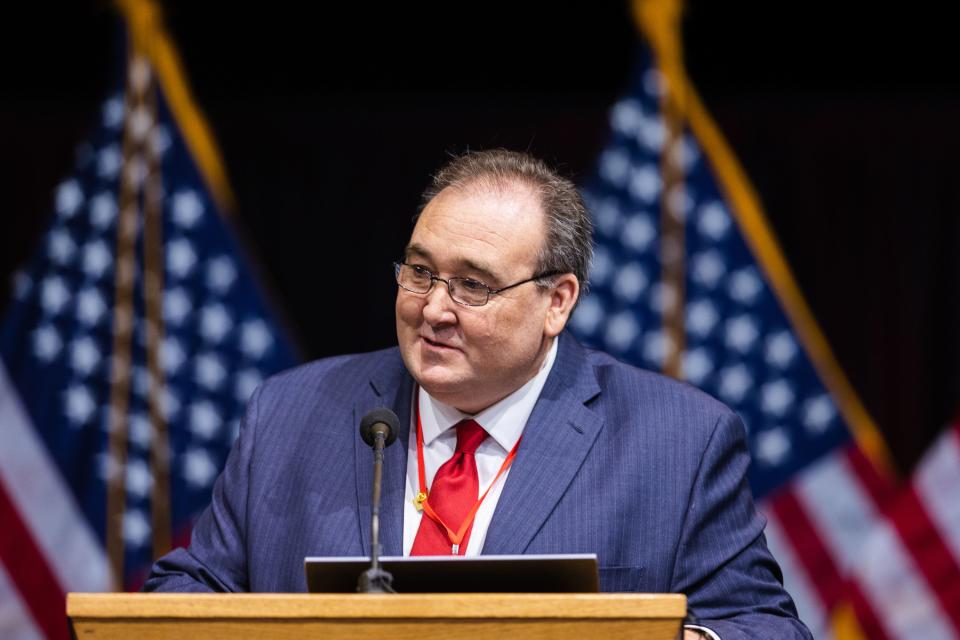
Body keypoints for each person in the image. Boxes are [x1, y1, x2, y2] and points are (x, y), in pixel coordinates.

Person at [145, 149, 812, 639]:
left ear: (557, 302)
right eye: (420, 271)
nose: (434, 308)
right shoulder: (291, 413)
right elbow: (189, 586)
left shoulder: (677, 440)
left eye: (473, 285)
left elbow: (761, 626)